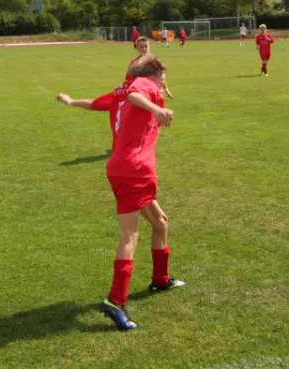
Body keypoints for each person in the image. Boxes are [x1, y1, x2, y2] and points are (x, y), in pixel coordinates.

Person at [98, 55, 186, 330]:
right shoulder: (143, 84)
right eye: (162, 78)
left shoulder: (141, 88)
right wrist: (158, 111)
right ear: (153, 75)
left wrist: (159, 111)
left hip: (132, 168)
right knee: (129, 236)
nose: (163, 84)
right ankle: (115, 301)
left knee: (160, 222)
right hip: (132, 171)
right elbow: (136, 93)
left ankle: (160, 279)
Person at [55, 37, 173, 114]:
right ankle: (70, 101)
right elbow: (131, 84)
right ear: (136, 48)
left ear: (150, 47)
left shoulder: (154, 63)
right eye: (141, 46)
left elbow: (160, 78)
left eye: (146, 46)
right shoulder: (135, 64)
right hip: (128, 95)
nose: (144, 49)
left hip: (142, 97)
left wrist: (166, 89)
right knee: (96, 104)